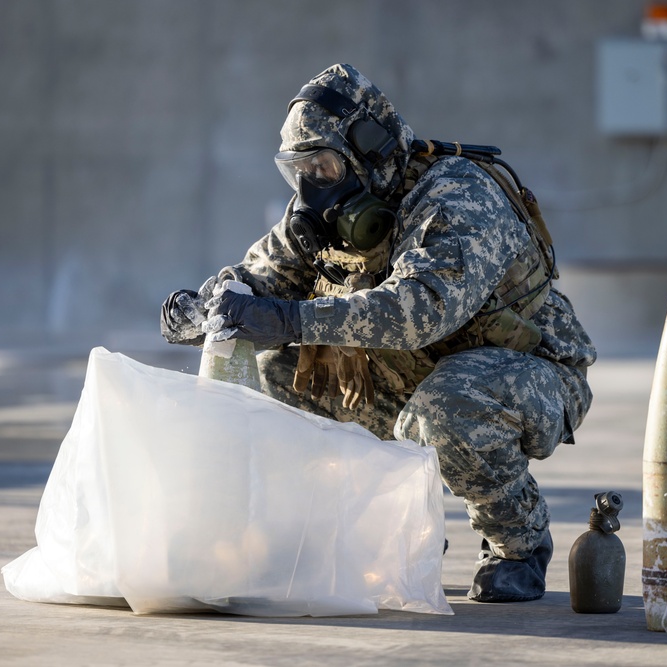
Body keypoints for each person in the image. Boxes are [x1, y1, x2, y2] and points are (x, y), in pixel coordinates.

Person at [160, 64, 596, 603]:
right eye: (299, 169)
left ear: (368, 151)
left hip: (525, 373)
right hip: (411, 374)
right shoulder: (321, 220)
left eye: (322, 165)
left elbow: (419, 311)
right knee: (277, 376)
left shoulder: (458, 195)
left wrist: (290, 319)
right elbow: (255, 284)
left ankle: (517, 544)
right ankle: (395, 535)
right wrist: (206, 310)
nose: (311, 185)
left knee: (443, 412)